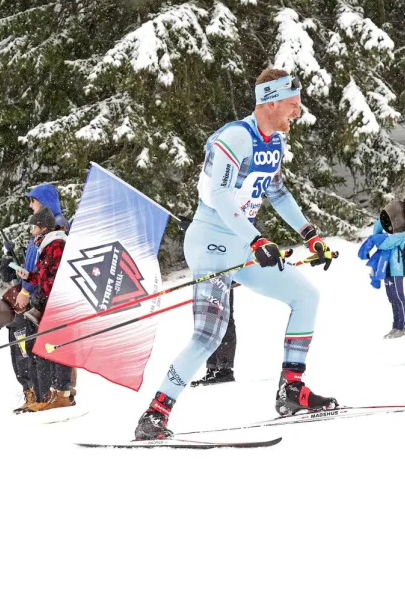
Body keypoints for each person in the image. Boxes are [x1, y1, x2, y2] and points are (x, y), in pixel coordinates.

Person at [134, 68, 337, 441]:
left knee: (306, 295)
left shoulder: (273, 142)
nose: (298, 111)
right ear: (271, 102)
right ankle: (154, 415)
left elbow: (276, 193)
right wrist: (257, 239)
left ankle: (291, 390)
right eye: (292, 104)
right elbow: (221, 197)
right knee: (208, 335)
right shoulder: (235, 138)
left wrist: (310, 234)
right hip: (210, 240)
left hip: (242, 244)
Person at [0, 183, 70, 411]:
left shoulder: (56, 226)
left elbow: (52, 271)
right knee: (29, 347)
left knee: (47, 346)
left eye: (33, 200)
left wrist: (27, 289)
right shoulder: (43, 231)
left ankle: (53, 393)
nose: (30, 205)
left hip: (45, 296)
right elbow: (38, 266)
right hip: (36, 290)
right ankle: (41, 394)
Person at [15, 207, 73, 411]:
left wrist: (40, 287)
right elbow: (43, 275)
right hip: (49, 301)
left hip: (57, 301)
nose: (32, 232)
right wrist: (29, 277)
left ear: (42, 228)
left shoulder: (56, 244)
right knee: (48, 347)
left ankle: (63, 393)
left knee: (58, 346)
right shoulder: (47, 246)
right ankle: (55, 393)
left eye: (34, 227)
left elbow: (56, 276)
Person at [358, 220, 405, 339]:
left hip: (396, 268)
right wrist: (384, 217)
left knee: (398, 297)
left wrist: (376, 239)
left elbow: (385, 244)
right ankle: (396, 327)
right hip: (385, 267)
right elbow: (377, 228)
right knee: (392, 298)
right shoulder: (387, 231)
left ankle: (402, 327)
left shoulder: (401, 230)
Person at [191, 284, 238, 385]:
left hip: (222, 279)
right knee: (208, 319)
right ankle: (213, 368)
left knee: (224, 318)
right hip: (205, 279)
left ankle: (225, 369)